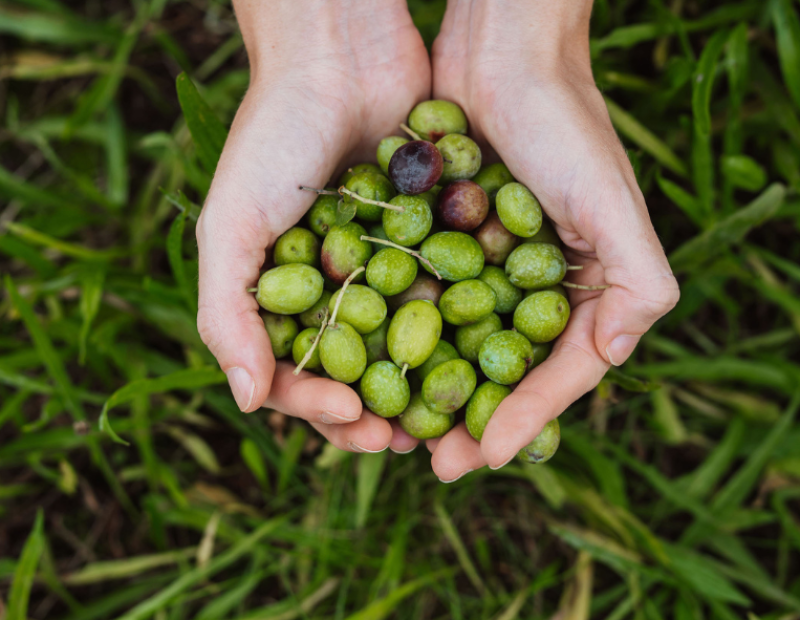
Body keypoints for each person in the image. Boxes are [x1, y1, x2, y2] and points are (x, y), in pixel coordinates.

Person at [195, 1, 680, 482]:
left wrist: (528, 55)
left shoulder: (487, 249)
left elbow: (479, 282)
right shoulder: (380, 264)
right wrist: (310, 58)